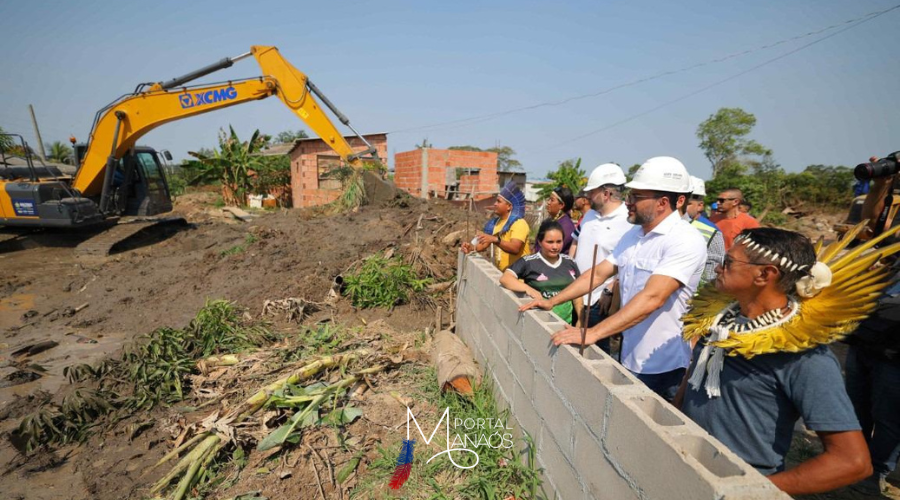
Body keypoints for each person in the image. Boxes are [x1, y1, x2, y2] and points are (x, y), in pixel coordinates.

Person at [678, 227, 882, 495]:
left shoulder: (805, 357)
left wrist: (751, 491)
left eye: (728, 262)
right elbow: (691, 383)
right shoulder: (718, 321)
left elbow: (853, 462)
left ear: (764, 274)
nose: (717, 268)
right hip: (683, 467)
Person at [522, 157, 706, 400]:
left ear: (664, 202)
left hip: (664, 365)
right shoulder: (634, 235)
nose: (627, 202)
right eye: (630, 194)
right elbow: (599, 273)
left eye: (637, 197)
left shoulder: (684, 240)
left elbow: (653, 298)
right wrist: (553, 301)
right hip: (630, 353)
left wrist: (593, 333)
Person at [843, 170, 900, 496]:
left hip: (896, 348)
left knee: (889, 414)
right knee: (856, 404)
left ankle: (875, 473)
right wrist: (882, 183)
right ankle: (854, 461)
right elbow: (872, 224)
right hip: (867, 333)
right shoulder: (893, 243)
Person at [567, 163, 632, 354]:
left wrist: (610, 290)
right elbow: (575, 243)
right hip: (577, 293)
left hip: (600, 301)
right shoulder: (589, 217)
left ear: (606, 194)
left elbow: (626, 263)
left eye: (592, 192)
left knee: (595, 352)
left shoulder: (628, 222)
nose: (587, 196)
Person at [501, 220, 580, 325]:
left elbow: (578, 292)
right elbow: (506, 278)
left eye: (559, 241)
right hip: (538, 325)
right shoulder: (529, 262)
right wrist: (529, 290)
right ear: (539, 241)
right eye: (550, 242)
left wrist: (580, 318)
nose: (555, 247)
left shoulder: (570, 262)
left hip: (566, 325)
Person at [461, 181, 530, 271]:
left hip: (520, 278)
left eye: (499, 201)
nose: (495, 204)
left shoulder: (519, 223)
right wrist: (470, 247)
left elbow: (514, 248)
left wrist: (495, 240)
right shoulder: (495, 223)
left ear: (509, 206)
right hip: (504, 275)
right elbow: (483, 245)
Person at [682, 176, 725, 286]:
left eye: (687, 204)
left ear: (700, 206)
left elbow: (712, 270)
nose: (680, 207)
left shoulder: (712, 232)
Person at [534, 187, 576, 256]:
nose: (548, 202)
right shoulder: (550, 221)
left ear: (561, 205)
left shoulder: (566, 226)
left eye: (552, 200)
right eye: (549, 199)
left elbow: (550, 250)